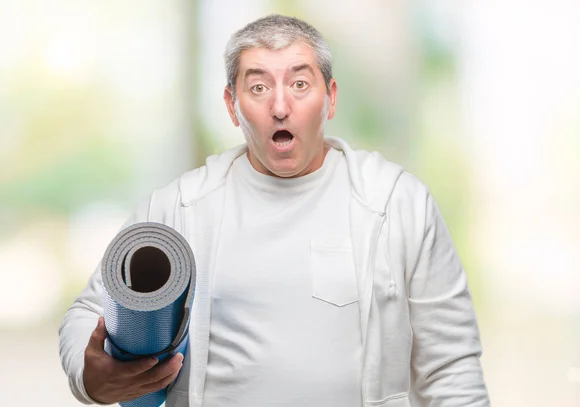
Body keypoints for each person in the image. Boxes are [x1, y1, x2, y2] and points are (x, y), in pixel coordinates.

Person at [59, 14, 490, 407]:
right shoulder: (178, 208)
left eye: (300, 84)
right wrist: (89, 377)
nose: (280, 107)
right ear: (232, 106)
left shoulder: (399, 203)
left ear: (331, 98)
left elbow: (451, 368)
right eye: (259, 87)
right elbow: (87, 312)